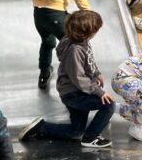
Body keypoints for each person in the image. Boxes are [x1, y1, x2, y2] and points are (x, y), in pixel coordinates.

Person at [19, 10, 115, 150]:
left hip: (78, 91)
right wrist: (98, 91)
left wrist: (96, 73)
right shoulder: (74, 50)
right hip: (74, 94)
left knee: (76, 132)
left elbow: (88, 61)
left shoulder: (82, 41)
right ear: (87, 32)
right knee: (108, 105)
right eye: (95, 30)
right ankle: (90, 138)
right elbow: (78, 78)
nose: (96, 33)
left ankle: (41, 127)